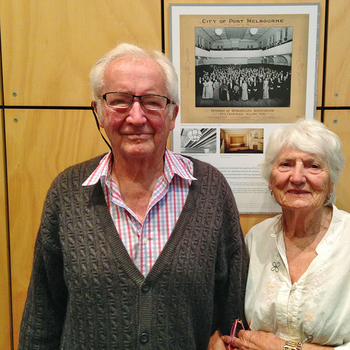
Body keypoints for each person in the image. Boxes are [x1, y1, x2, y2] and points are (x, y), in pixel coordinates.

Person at [18, 43, 248, 349]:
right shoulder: (68, 193)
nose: (136, 117)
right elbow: (42, 316)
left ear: (172, 114)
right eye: (120, 101)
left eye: (152, 102)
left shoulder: (210, 190)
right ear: (99, 111)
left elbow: (233, 311)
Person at [221, 119, 350, 349]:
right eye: (286, 164)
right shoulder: (255, 238)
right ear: (271, 180)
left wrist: (283, 348)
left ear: (331, 183)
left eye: (313, 166)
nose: (297, 178)